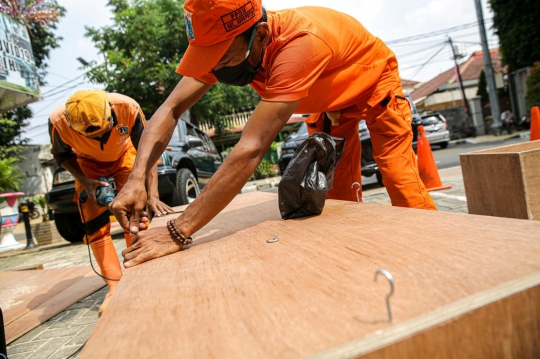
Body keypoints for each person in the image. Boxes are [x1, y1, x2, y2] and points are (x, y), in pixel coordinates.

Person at [111, 0, 437, 268]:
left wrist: (177, 231)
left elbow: (251, 148)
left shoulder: (300, 45)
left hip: (372, 83)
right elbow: (169, 110)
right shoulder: (229, 41)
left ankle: (437, 257)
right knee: (334, 196)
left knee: (399, 178)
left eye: (224, 56)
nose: (217, 68)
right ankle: (357, 266)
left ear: (262, 34)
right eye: (209, 57)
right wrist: (136, 179)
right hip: (328, 100)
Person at [48, 90, 173, 313]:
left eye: (101, 131)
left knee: (135, 213)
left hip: (125, 154)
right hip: (86, 164)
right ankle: (114, 286)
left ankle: (140, 276)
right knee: (94, 224)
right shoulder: (58, 122)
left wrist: (152, 195)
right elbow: (63, 156)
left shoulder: (128, 107)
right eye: (90, 136)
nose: (97, 139)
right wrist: (86, 182)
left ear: (110, 113)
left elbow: (149, 149)